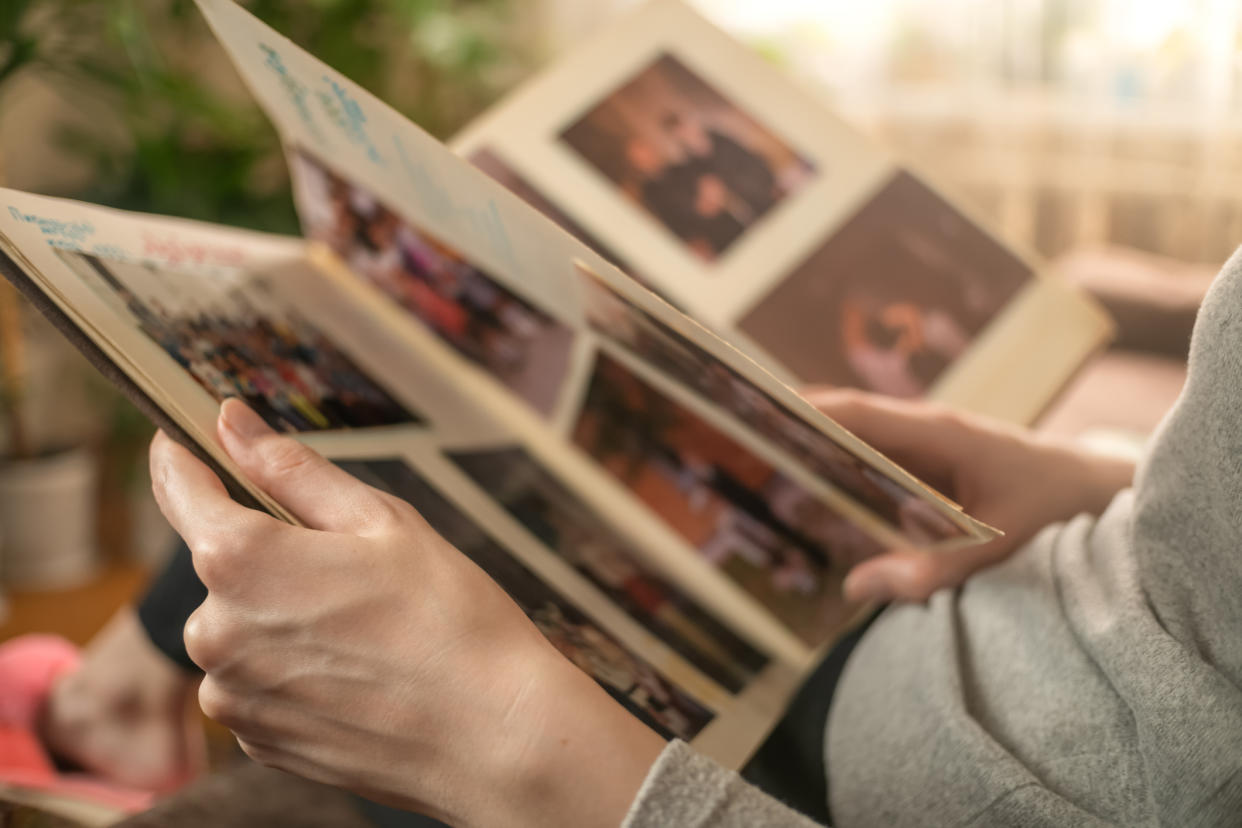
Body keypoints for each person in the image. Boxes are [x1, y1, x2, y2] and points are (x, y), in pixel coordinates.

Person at [34, 244, 1242, 824]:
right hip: (951, 615)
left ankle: (92, 710)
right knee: (469, 342)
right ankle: (113, 695)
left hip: (864, 740)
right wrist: (1107, 479)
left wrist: (514, 739)